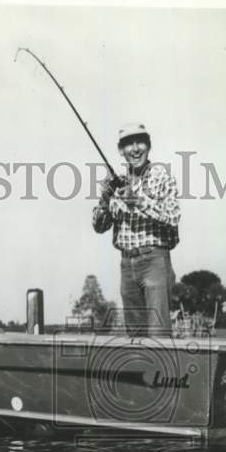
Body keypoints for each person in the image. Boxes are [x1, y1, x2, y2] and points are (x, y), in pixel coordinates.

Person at [92, 123, 181, 336]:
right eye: (128, 144)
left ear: (148, 146)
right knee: (135, 340)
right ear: (121, 150)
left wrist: (137, 200)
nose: (135, 148)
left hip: (154, 262)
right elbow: (99, 226)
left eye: (140, 142)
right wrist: (105, 200)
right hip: (126, 265)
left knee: (159, 337)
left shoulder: (160, 175)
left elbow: (173, 215)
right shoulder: (118, 183)